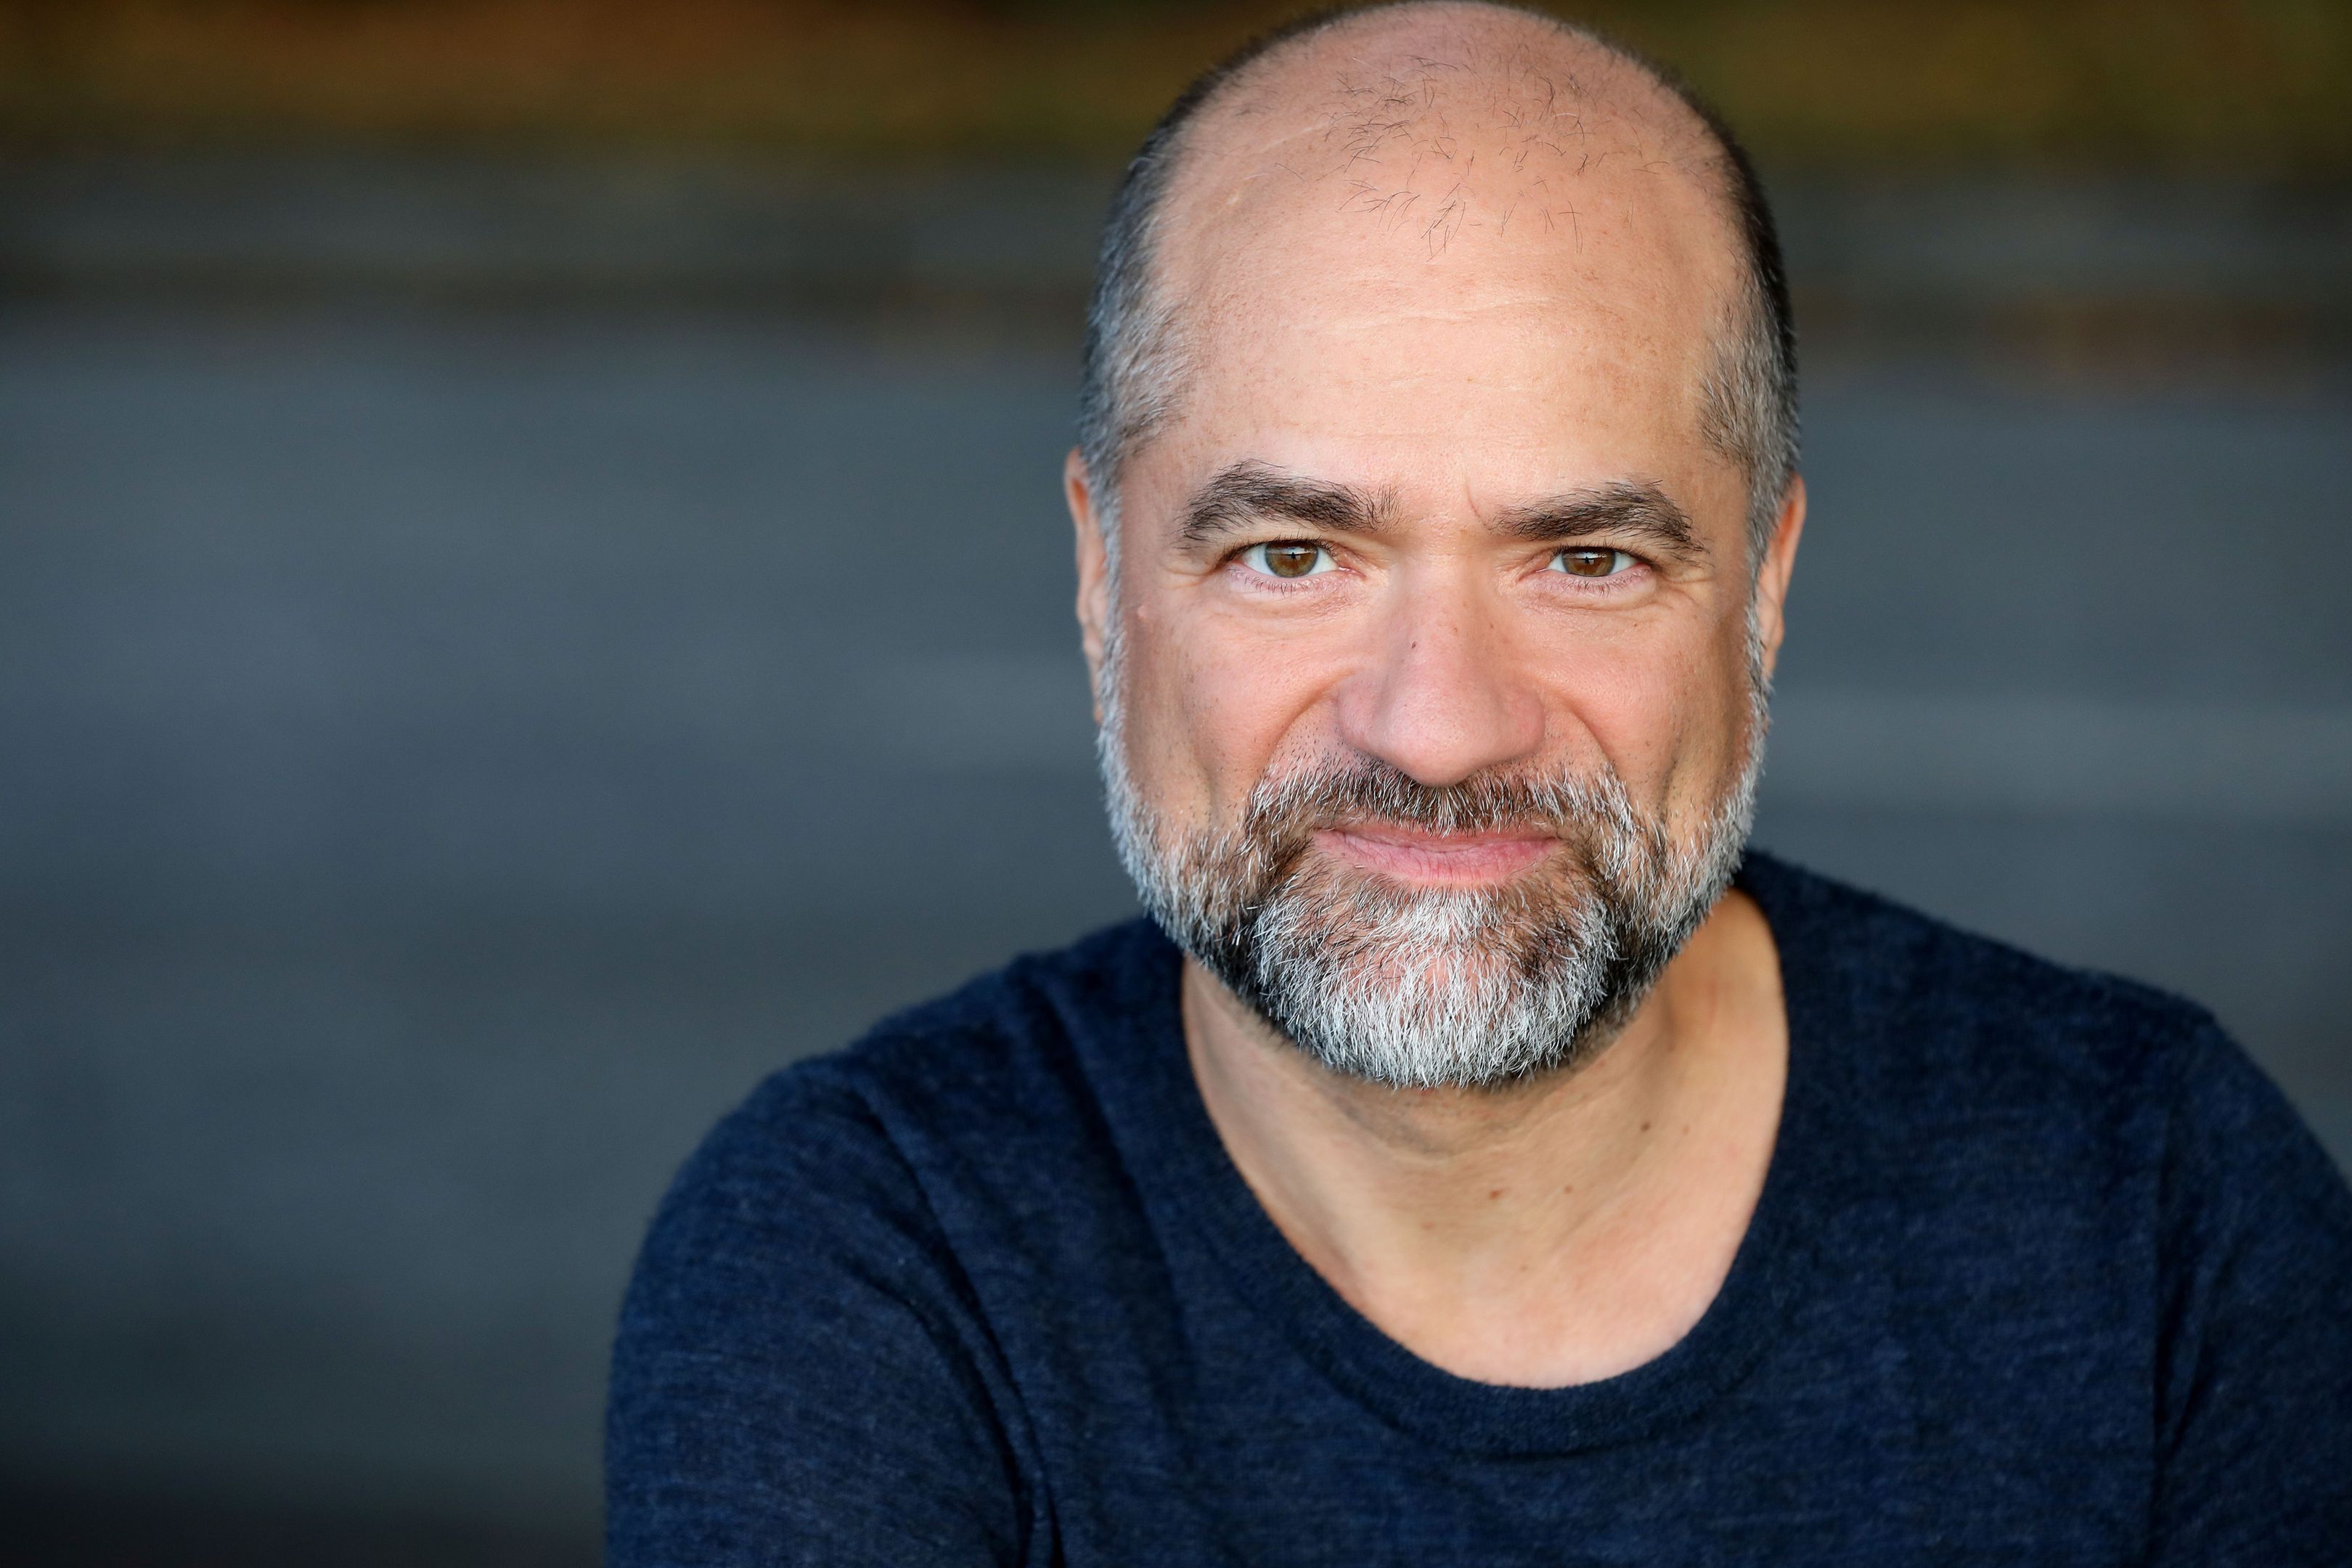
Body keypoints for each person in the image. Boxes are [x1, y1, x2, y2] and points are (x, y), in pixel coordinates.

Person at [605, 4, 2352, 1560]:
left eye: (1585, 560)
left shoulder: (2158, 1216)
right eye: (1293, 556)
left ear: (1764, 583)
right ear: (1098, 573)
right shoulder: (863, 1263)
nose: (1436, 729)